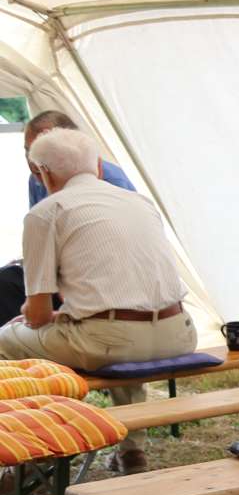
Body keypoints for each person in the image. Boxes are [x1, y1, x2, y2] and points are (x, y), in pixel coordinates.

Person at [0, 128, 193, 473]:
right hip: (180, 334)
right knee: (114, 332)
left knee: (6, 341)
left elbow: (40, 314)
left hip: (109, 340)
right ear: (99, 168)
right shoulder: (141, 203)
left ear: (42, 173)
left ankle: (27, 460)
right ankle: (132, 450)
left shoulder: (46, 212)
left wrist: (28, 314)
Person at [0, 110, 137, 329]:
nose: (33, 159)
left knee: (13, 332)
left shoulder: (111, 182)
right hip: (62, 274)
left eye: (43, 149)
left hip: (98, 282)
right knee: (6, 283)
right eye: (28, 151)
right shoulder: (36, 181)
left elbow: (111, 256)